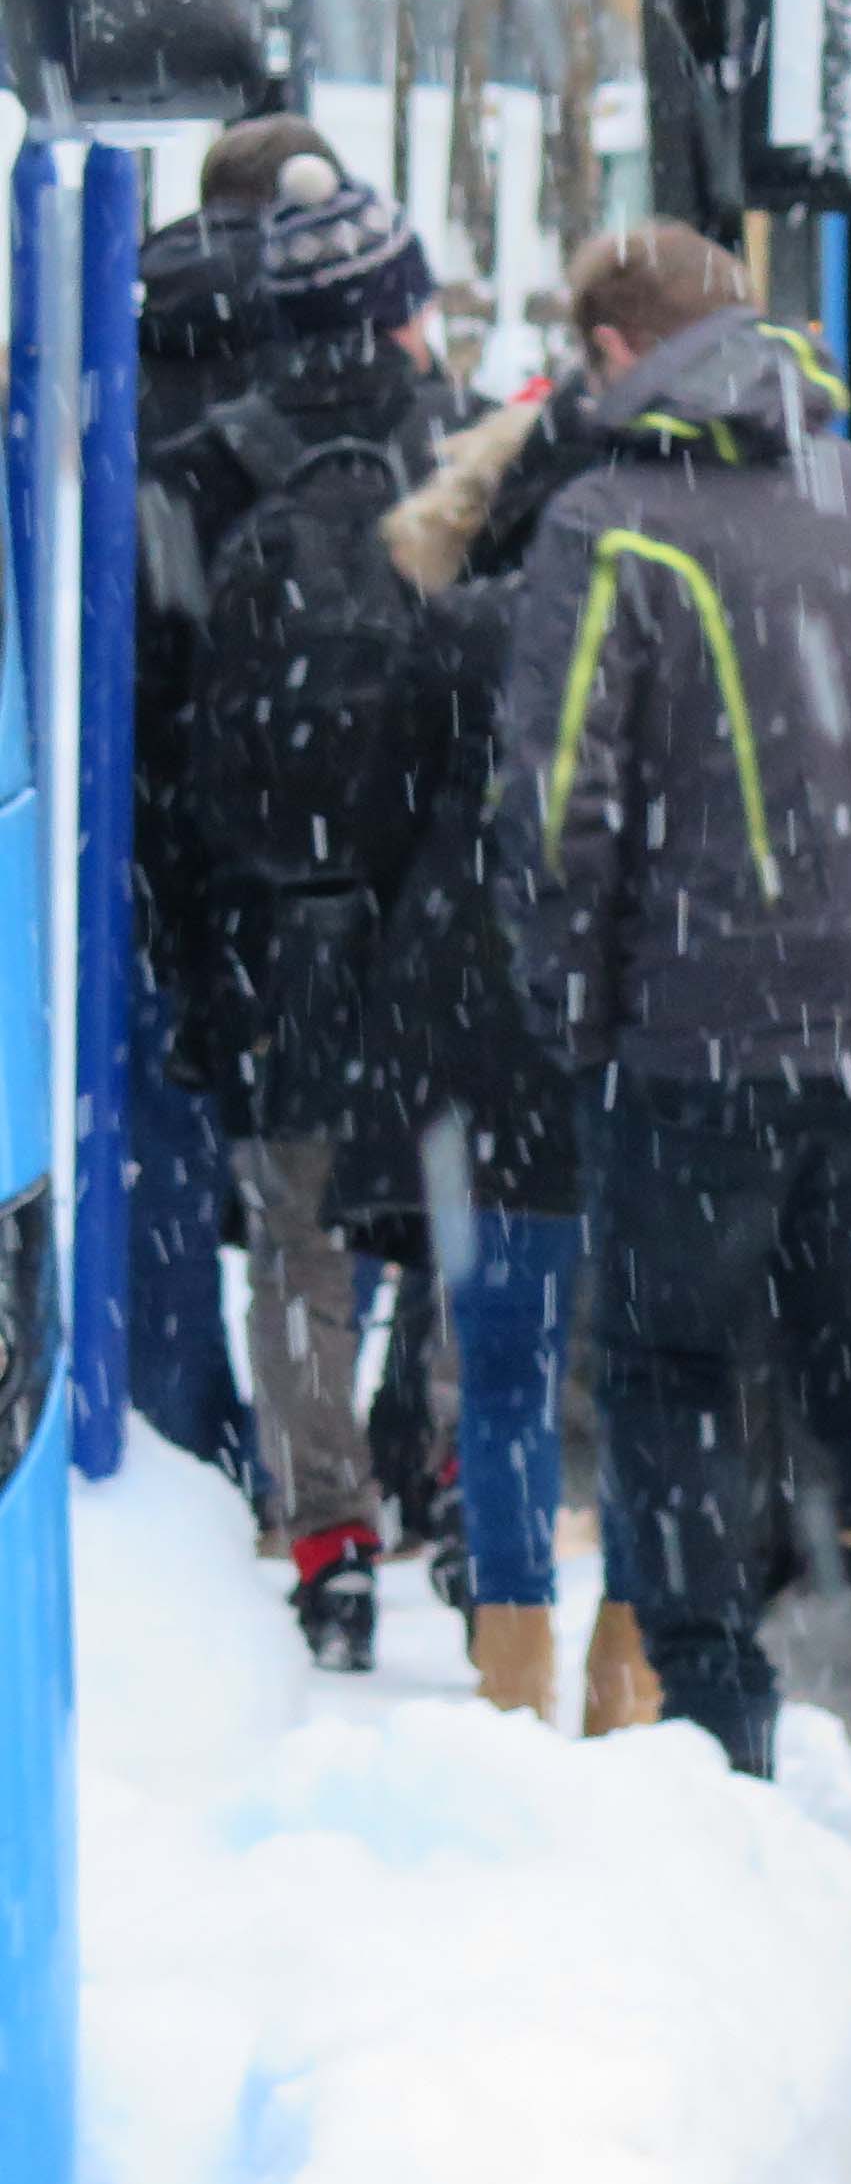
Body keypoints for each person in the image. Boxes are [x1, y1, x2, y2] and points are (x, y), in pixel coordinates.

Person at [496, 223, 851, 1851]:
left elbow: (561, 809)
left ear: (613, 355)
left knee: (675, 1381)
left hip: (690, 1046)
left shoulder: (608, 530)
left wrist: (574, 1010)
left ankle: (718, 1743)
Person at [366, 230, 700, 1728]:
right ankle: (626, 1674)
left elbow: (377, 831)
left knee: (500, 1369)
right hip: (640, 1018)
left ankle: (512, 1673)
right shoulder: (684, 604)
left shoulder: (457, 631)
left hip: (483, 1029)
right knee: (640, 1367)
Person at [146, 169, 455, 1665]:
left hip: (273, 920)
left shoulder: (205, 475)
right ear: (394, 309)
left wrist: (190, 950)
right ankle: (457, 1476)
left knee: (297, 1238)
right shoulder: (461, 454)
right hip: (428, 915)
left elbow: (163, 738)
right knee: (458, 1213)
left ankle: (327, 1535)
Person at [124, 116, 342, 1496]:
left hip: (138, 781)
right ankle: (307, 1454)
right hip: (306, 792)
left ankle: (176, 1439)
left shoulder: (119, 313)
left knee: (158, 1120)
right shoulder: (324, 326)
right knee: (307, 1151)